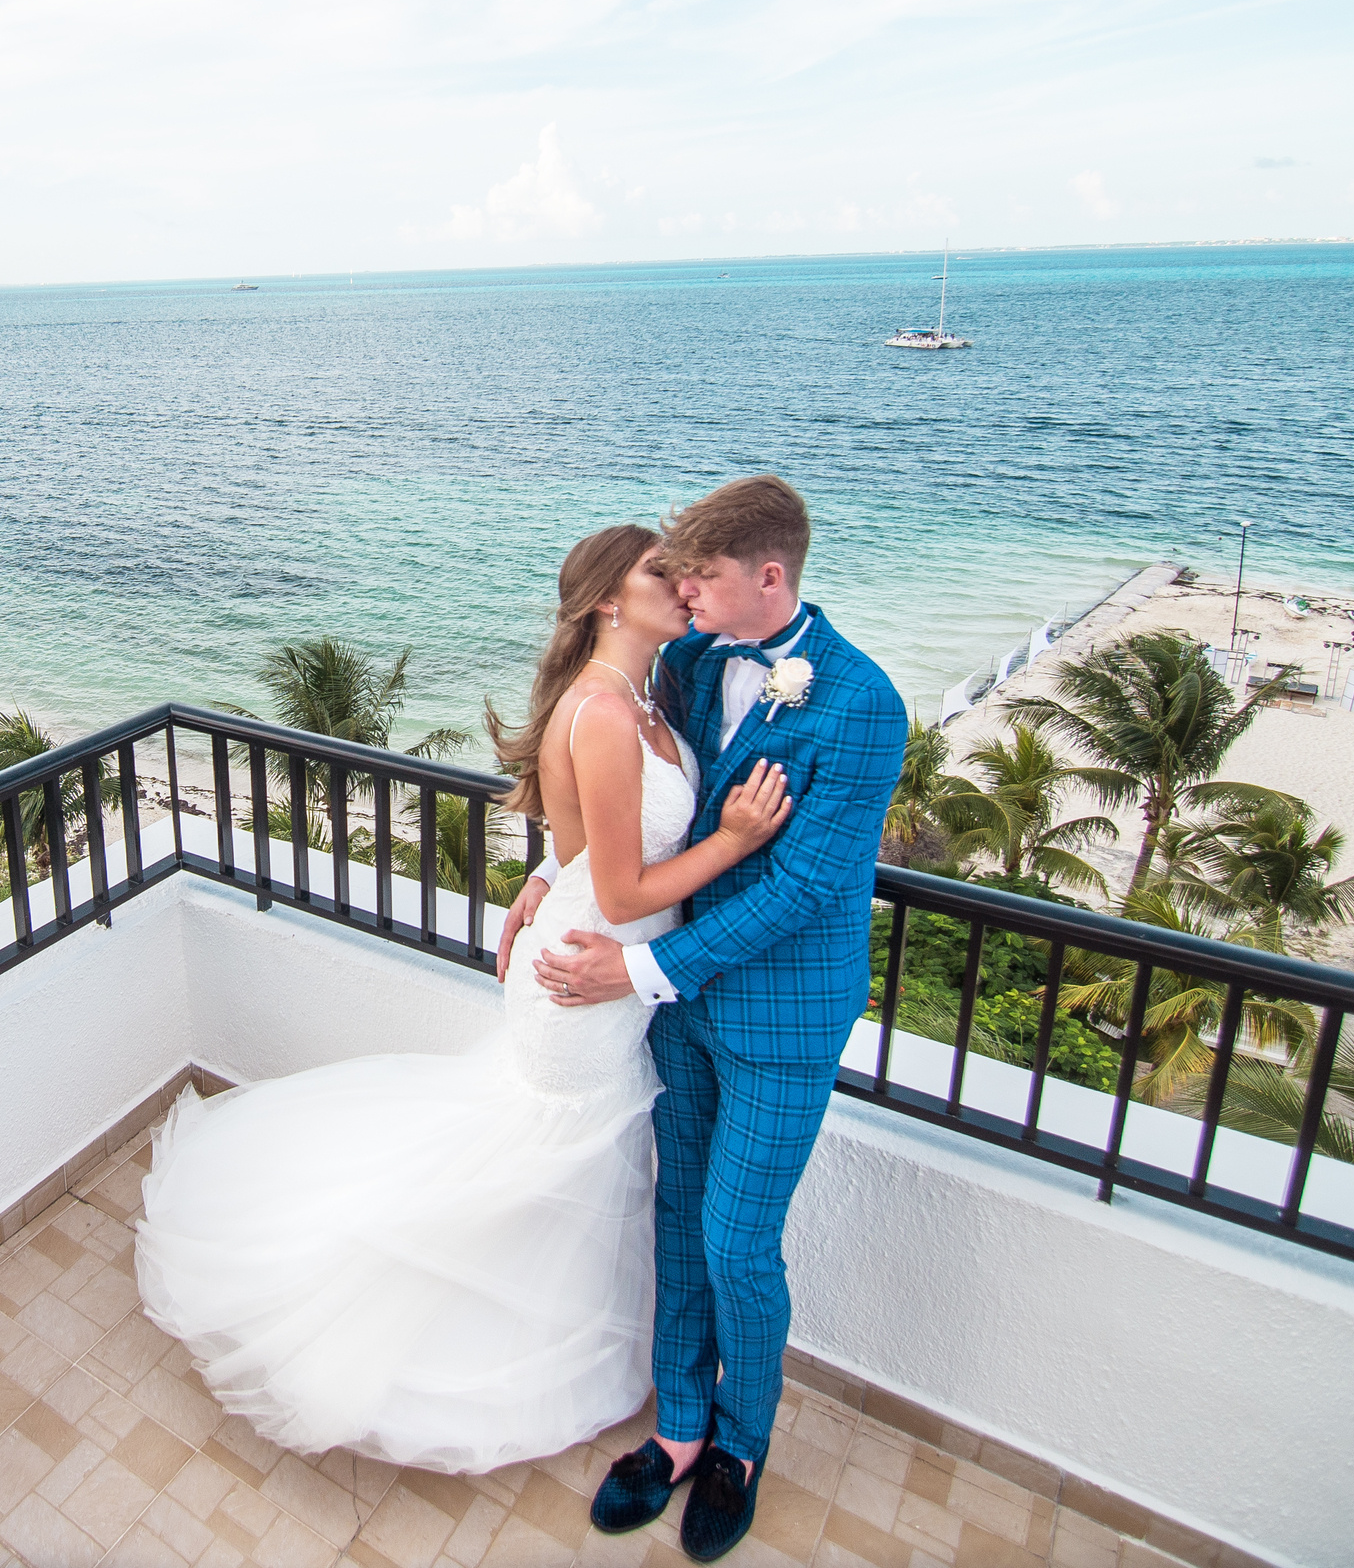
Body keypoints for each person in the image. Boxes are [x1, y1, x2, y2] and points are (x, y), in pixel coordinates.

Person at [134, 524, 792, 1475]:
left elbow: (592, 849)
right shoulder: (604, 713)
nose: (683, 584)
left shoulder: (648, 693)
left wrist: (540, 877)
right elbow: (623, 893)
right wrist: (731, 839)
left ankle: (542, 1333)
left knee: (567, 1171)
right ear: (609, 598)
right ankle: (446, 1338)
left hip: (598, 960)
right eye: (661, 572)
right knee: (545, 1159)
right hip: (586, 976)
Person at [517, 475, 906, 1561]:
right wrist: (553, 879)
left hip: (781, 1017)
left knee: (739, 1239)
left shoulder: (862, 702)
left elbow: (804, 888)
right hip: (679, 1014)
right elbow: (619, 806)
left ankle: (741, 1444)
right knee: (676, 1213)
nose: (684, 590)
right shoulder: (685, 659)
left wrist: (640, 971)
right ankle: (678, 1426)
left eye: (701, 575)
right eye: (674, 575)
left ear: (767, 576)